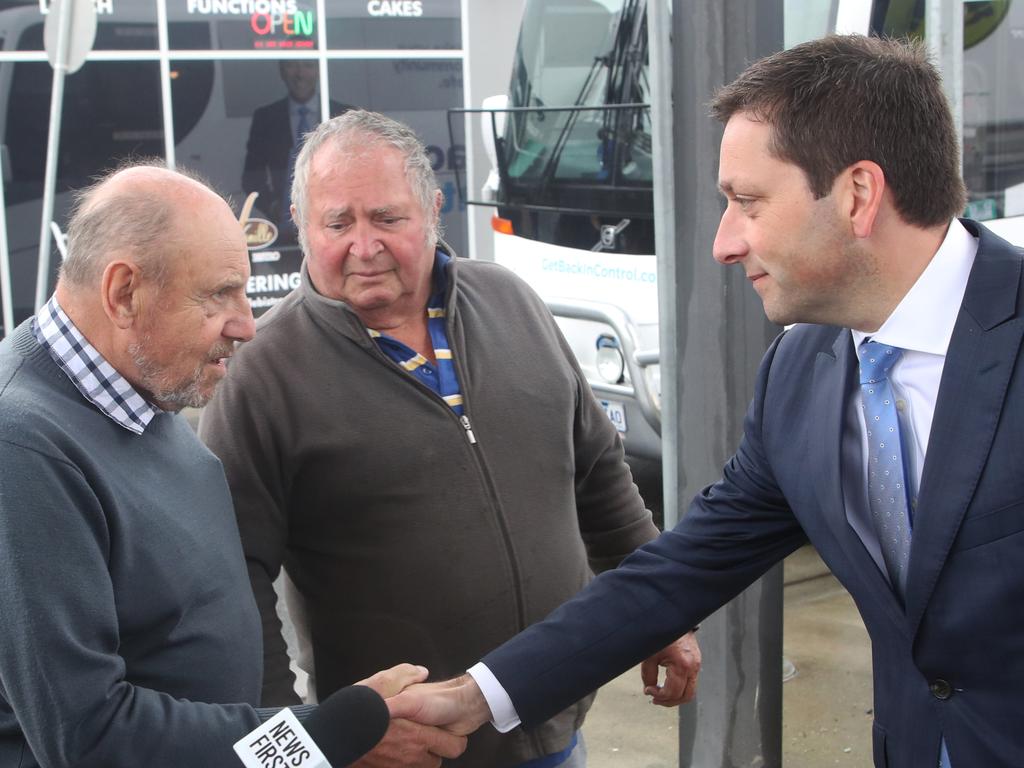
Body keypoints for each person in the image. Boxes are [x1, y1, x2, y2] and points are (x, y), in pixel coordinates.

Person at [385, 34, 1024, 768]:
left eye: (747, 202)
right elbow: (684, 567)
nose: (723, 243)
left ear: (857, 195)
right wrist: (475, 696)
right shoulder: (798, 371)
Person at [199, 109, 701, 768]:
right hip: (406, 751)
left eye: (387, 218)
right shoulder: (263, 374)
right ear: (301, 224)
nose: (364, 245)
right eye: (338, 223)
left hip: (557, 723)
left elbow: (599, 476)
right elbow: (236, 584)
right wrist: (309, 741)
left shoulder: (511, 301)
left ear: (434, 210)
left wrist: (660, 610)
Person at [0, 163, 443, 767]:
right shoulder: (23, 446)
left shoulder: (139, 389)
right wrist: (319, 740)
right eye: (218, 294)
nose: (247, 326)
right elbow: (89, 738)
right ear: (124, 293)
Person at [241, 60, 349, 244]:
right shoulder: (265, 117)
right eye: (292, 65)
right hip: (284, 233)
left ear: (318, 70)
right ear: (282, 71)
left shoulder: (344, 114)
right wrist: (273, 206)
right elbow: (251, 177)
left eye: (307, 65)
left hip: (338, 231)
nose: (300, 74)